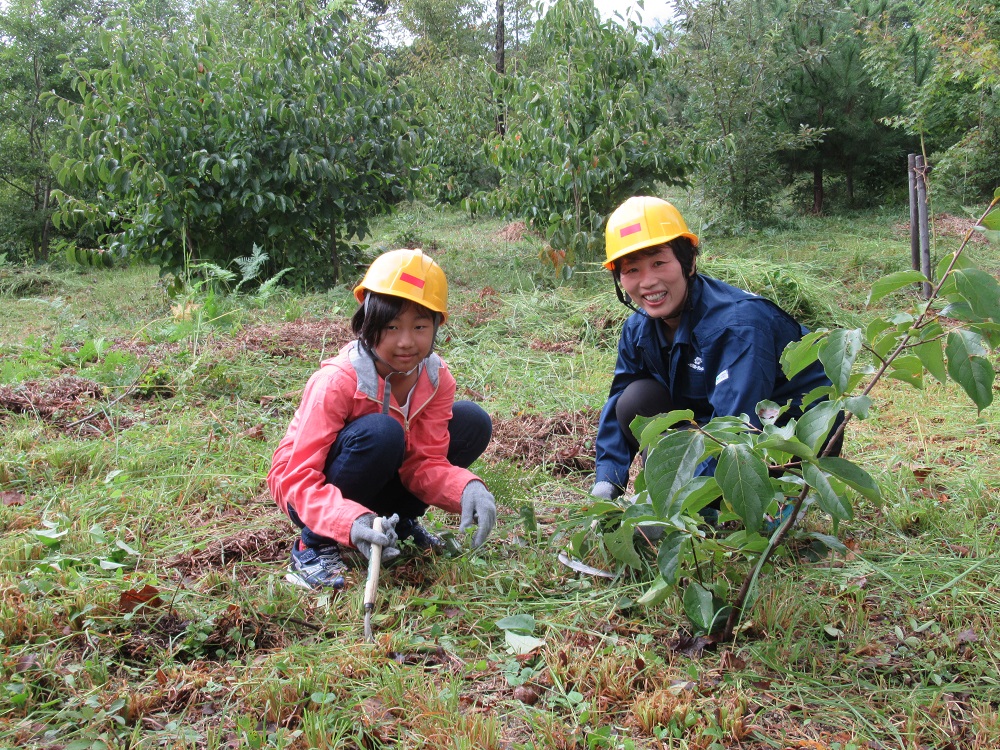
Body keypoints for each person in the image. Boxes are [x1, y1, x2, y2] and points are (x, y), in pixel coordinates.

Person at [268, 249, 497, 590]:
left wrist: (467, 487)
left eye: (420, 326)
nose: (406, 341)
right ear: (367, 324)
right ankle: (312, 545)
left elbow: (424, 462)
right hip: (306, 489)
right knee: (383, 432)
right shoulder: (337, 381)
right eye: (391, 327)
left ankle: (397, 523)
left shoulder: (436, 380)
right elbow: (297, 478)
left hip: (383, 469)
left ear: (437, 326)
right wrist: (350, 519)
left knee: (471, 421)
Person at [590, 196, 841, 503]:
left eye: (659, 263)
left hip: (785, 442)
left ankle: (749, 503)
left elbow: (741, 430)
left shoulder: (737, 326)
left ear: (689, 262)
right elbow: (618, 409)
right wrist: (606, 484)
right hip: (719, 423)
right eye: (631, 270)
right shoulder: (639, 329)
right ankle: (685, 493)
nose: (648, 281)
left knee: (704, 488)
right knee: (634, 399)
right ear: (619, 279)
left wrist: (673, 504)